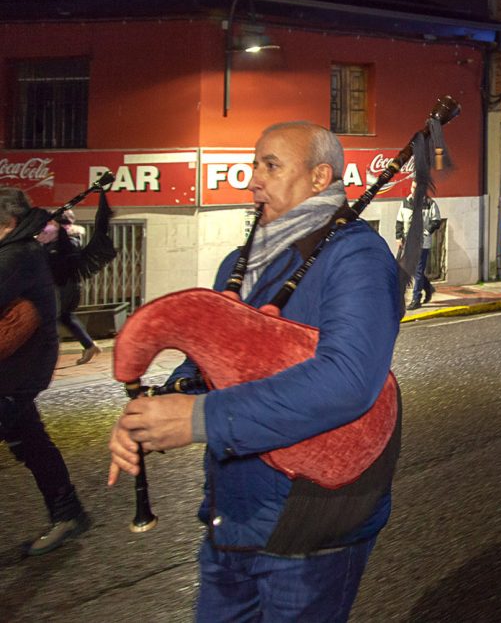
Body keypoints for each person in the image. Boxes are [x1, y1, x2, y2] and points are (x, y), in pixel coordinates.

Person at [108, 122, 402, 620]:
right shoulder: (235, 264)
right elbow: (212, 362)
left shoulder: (356, 255)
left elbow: (348, 380)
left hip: (311, 518)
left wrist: (200, 419)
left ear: (319, 177)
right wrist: (153, 412)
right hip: (233, 514)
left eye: (270, 165)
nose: (253, 180)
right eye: (253, 165)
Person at [0, 188, 89, 556]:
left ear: (7, 222)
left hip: (16, 372)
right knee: (31, 440)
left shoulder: (17, 255)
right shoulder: (18, 250)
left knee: (31, 440)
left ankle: (68, 515)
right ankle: (68, 514)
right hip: (19, 369)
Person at [37, 211, 102, 364]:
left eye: (52, 222)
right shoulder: (55, 240)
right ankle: (89, 345)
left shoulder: (68, 241)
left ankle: (46, 357)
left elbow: (63, 263)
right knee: (65, 317)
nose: (48, 225)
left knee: (54, 317)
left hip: (65, 285)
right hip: (62, 284)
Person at [396, 179, 441, 310]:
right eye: (413, 187)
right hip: (408, 242)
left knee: (418, 270)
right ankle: (428, 287)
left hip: (422, 243)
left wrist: (426, 231)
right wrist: (398, 237)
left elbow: (436, 220)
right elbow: (399, 220)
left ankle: (416, 298)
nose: (414, 190)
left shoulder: (430, 203)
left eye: (417, 188)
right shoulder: (405, 202)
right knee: (414, 270)